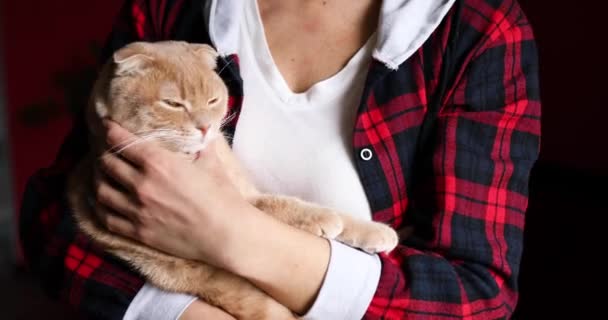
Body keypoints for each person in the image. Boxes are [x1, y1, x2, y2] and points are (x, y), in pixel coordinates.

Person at [19, 0, 540, 319]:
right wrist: (186, 315)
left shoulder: (476, 30)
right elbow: (53, 220)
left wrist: (229, 233)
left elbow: (476, 300)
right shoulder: (175, 7)